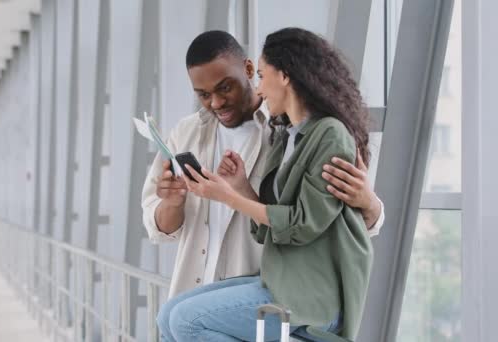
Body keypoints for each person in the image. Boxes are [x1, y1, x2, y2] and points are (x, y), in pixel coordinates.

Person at [140, 30, 382, 340]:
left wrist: (370, 203)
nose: (215, 101)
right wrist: (237, 188)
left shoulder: (305, 132)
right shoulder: (286, 135)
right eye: (203, 94)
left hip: (294, 291)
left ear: (261, 72)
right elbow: (160, 225)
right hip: (244, 282)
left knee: (185, 322)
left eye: (225, 87)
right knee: (166, 319)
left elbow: (313, 221)